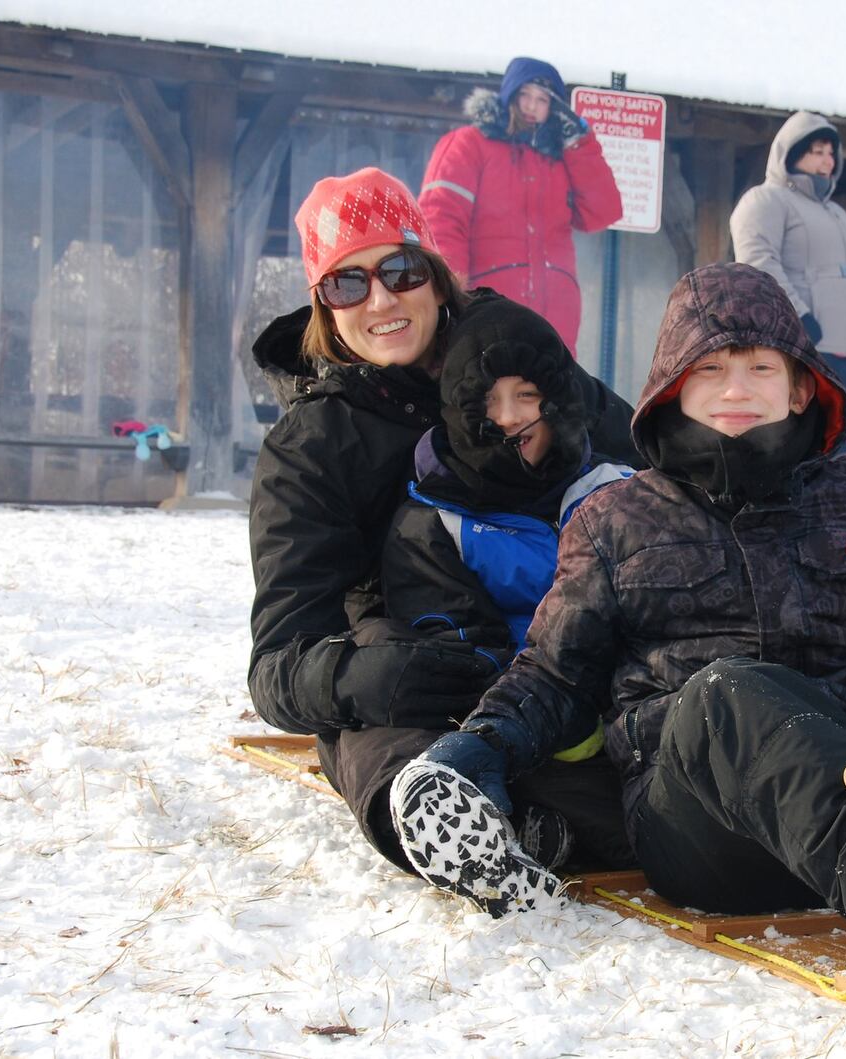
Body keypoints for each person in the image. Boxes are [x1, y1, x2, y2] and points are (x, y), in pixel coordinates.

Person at [391, 262, 846, 981]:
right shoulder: (615, 519)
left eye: (760, 368)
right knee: (730, 693)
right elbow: (555, 670)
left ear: (798, 388)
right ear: (672, 391)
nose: (736, 390)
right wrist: (480, 745)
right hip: (705, 819)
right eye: (711, 371)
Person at [246, 167, 638, 874]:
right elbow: (278, 665)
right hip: (422, 647)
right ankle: (455, 825)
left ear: (434, 272)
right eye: (347, 282)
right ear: (323, 304)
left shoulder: (509, 356)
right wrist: (366, 675)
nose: (380, 299)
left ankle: (589, 817)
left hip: (563, 618)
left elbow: (648, 452)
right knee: (372, 721)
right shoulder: (312, 447)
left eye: (399, 270)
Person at [371, 294, 637, 872]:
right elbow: (460, 644)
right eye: (489, 400)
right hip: (518, 712)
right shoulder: (434, 521)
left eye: (526, 395)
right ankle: (495, 833)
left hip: (624, 710)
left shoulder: (616, 490)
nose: (511, 416)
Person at [419, 56, 623, 354]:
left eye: (542, 100)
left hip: (555, 321)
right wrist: (451, 297)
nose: (531, 106)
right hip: (486, 314)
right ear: (509, 96)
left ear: (554, 108)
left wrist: (579, 145)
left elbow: (603, 212)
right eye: (524, 95)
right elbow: (442, 222)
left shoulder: (560, 159)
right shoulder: (468, 145)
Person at [730, 111, 846, 397]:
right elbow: (758, 262)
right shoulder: (766, 200)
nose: (828, 161)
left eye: (831, 153)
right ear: (791, 154)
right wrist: (795, 317)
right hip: (798, 351)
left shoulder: (838, 215)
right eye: (818, 152)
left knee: (835, 437)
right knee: (802, 436)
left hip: (844, 353)